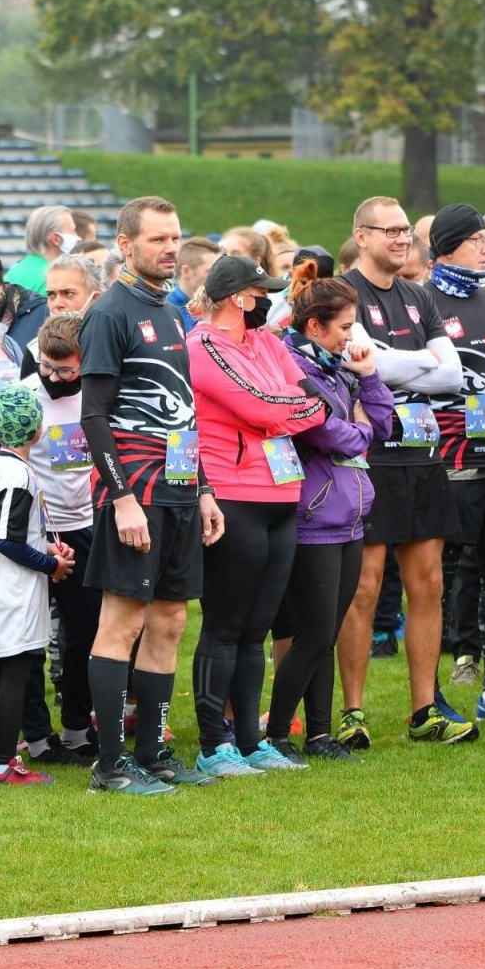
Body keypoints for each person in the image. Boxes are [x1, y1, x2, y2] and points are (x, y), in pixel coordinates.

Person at [79, 195, 225, 795]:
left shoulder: (173, 313)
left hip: (182, 491)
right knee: (123, 621)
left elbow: (186, 410)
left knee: (168, 621)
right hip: (134, 491)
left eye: (175, 237)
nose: (170, 248)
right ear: (126, 245)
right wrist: (121, 499)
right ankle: (109, 766)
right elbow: (93, 417)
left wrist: (206, 491)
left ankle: (153, 754)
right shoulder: (109, 312)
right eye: (158, 239)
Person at [336, 197, 473, 747]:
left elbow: (453, 376)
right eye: (388, 231)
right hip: (367, 459)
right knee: (364, 589)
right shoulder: (343, 294)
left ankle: (424, 712)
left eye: (405, 232)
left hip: (422, 456)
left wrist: (396, 363)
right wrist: (419, 364)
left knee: (430, 585)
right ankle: (352, 714)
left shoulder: (420, 296)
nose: (401, 240)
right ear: (361, 235)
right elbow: (358, 360)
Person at [184, 255, 327, 775]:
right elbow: (265, 408)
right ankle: (211, 743)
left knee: (258, 628)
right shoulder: (202, 344)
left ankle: (249, 740)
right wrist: (285, 409)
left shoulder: (267, 342)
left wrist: (286, 408)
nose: (267, 298)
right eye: (259, 291)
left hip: (281, 494)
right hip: (231, 493)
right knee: (225, 624)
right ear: (239, 297)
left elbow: (318, 404)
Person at [274, 261, 393, 760]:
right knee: (316, 632)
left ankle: (319, 734)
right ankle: (277, 731)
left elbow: (383, 428)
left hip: (348, 515)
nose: (352, 337)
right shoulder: (296, 369)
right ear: (315, 326)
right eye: (345, 328)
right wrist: (360, 429)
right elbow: (326, 432)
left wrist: (368, 378)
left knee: (326, 632)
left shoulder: (337, 369)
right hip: (313, 518)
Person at [421, 205, 485, 719]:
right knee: (437, 580)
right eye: (478, 239)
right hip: (446, 463)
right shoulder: (421, 302)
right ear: (449, 246)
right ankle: (428, 691)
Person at [0, 385, 74, 786]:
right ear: (37, 430)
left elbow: (8, 530)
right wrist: (51, 564)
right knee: (14, 676)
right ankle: (0, 763)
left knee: (8, 676)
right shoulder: (17, 474)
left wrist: (45, 543)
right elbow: (5, 540)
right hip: (10, 592)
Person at [22, 312, 103, 759]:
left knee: (84, 635)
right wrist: (41, 536)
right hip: (36, 532)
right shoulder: (26, 396)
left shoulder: (96, 395)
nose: (55, 378)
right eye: (48, 368)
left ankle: (77, 727)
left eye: (66, 370)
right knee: (31, 637)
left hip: (86, 527)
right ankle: (36, 736)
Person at [7, 206, 79, 292]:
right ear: (56, 239)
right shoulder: (55, 277)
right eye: (73, 231)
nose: (77, 237)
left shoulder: (13, 271)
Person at [169, 238, 219, 333]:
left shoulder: (218, 306)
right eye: (210, 272)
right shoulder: (168, 311)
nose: (217, 278)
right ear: (186, 271)